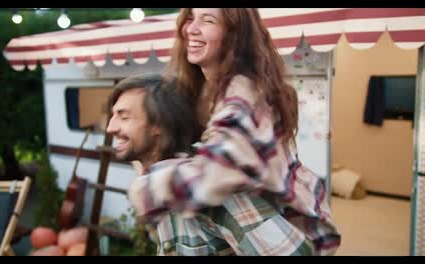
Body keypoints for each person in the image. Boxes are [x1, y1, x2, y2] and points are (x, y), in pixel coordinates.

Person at [126, 8, 341, 256]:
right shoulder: (202, 91)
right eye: (190, 18)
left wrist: (145, 187)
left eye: (207, 20)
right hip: (250, 234)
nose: (191, 28)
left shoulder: (246, 90)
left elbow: (220, 169)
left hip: (292, 235)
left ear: (234, 36)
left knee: (202, 189)